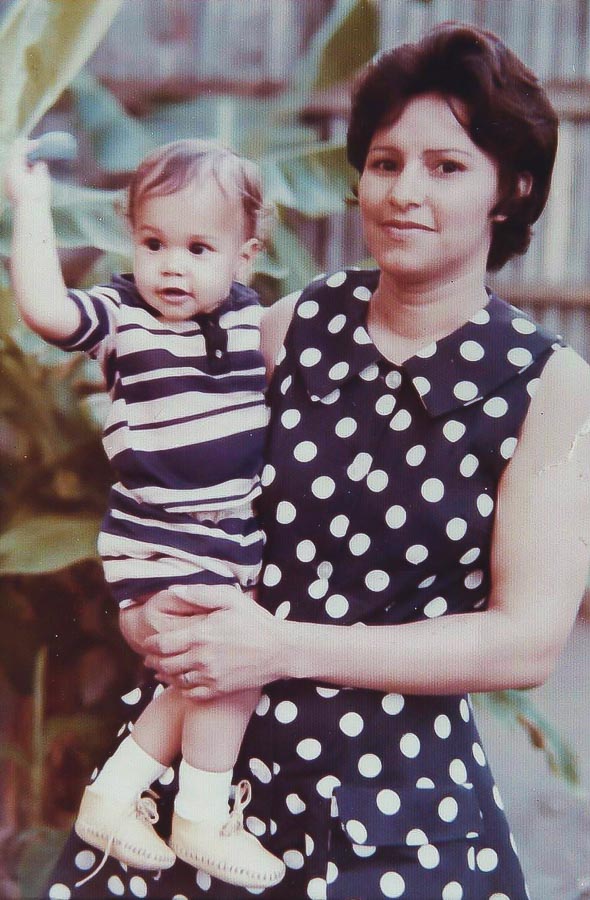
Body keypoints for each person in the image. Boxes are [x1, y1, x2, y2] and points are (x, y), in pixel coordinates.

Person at [44, 21, 590, 900]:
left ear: (512, 189)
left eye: (446, 167)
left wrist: (279, 645)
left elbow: (524, 642)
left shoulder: (551, 388)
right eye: (384, 162)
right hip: (205, 772)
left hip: (392, 797)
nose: (404, 191)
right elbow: (172, 480)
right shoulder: (288, 326)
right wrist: (146, 612)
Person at [5, 139, 286, 890]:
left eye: (198, 248)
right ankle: (200, 812)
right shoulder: (124, 315)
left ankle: (117, 791)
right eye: (152, 242)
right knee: (227, 670)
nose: (170, 265)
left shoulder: (248, 319)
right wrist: (31, 204)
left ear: (245, 255)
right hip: (161, 542)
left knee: (202, 675)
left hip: (221, 543)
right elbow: (43, 306)